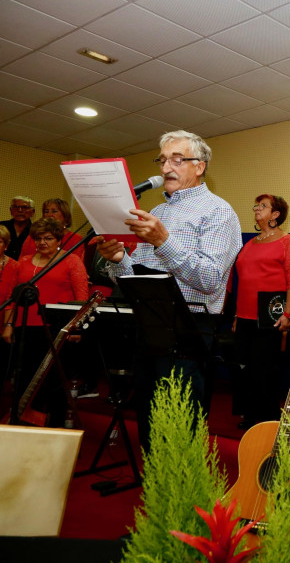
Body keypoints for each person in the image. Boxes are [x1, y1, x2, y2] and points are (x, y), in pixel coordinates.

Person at [97, 130, 242, 445]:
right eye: (162, 160)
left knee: (180, 422)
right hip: (148, 322)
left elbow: (210, 278)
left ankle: (183, 490)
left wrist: (164, 241)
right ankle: (155, 486)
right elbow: (137, 275)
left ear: (199, 166)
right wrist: (119, 259)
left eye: (177, 160)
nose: (165, 169)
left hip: (190, 325)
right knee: (148, 416)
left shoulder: (219, 212)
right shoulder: (157, 214)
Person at [2, 218, 89, 425]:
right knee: (23, 379)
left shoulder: (71, 260)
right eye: (38, 238)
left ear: (58, 239)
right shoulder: (24, 261)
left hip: (57, 330)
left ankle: (55, 425)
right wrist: (8, 325)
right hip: (25, 328)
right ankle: (25, 421)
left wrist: (76, 328)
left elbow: (82, 297)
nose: (42, 242)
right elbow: (11, 298)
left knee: (54, 382)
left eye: (48, 238)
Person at [232, 194, 290, 428]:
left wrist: (288, 314)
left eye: (263, 206)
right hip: (243, 314)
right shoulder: (250, 243)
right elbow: (243, 279)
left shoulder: (287, 241)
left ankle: (267, 415)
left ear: (276, 214)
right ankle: (249, 412)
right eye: (256, 205)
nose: (257, 209)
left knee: (264, 366)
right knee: (244, 365)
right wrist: (235, 316)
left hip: (270, 313)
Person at [20, 198, 86, 262]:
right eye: (46, 211)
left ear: (65, 215)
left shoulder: (75, 239)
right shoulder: (33, 236)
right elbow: (22, 260)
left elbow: (77, 264)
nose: (49, 215)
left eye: (54, 211)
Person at [0, 226, 19, 380]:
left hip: (2, 320)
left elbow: (11, 298)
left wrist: (7, 326)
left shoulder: (14, 266)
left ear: (6, 244)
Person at [1, 196, 35, 260]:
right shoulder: (1, 227)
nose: (20, 210)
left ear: (32, 212)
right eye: (15, 207)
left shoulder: (36, 231)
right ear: (11, 210)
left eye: (25, 207)